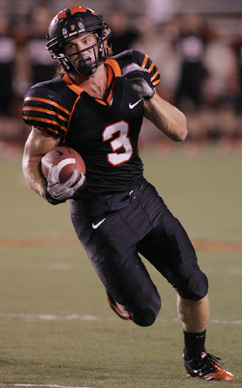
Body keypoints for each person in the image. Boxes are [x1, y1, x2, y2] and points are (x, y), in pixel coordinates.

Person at [22, 6, 234, 381]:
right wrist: (47, 189)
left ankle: (196, 358)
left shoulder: (132, 68)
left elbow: (180, 131)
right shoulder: (52, 97)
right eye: (72, 45)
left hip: (141, 194)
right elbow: (32, 158)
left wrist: (149, 97)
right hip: (97, 212)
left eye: (87, 40)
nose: (83, 50)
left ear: (101, 38)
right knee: (146, 312)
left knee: (194, 282)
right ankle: (119, 290)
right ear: (60, 54)